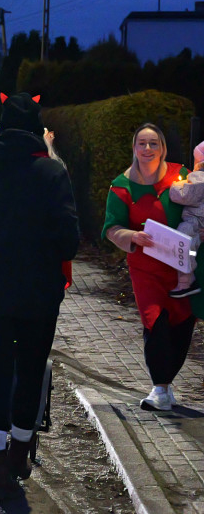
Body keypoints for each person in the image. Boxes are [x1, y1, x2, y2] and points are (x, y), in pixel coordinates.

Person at [0, 92, 80, 501]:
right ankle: (18, 453)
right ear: (36, 128)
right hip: (37, 296)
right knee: (30, 373)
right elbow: (69, 242)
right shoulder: (51, 174)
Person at [103, 123, 196, 412]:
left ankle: (166, 385)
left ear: (163, 148)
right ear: (134, 148)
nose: (147, 149)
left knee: (182, 322)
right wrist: (132, 236)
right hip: (145, 267)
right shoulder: (121, 185)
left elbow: (198, 209)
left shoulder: (182, 175)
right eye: (141, 143)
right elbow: (111, 227)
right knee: (154, 320)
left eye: (153, 143)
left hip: (183, 266)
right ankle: (159, 388)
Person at [166, 140, 204, 298]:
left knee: (182, 245)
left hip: (194, 221)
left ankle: (185, 282)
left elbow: (185, 195)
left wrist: (176, 185)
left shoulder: (199, 177)